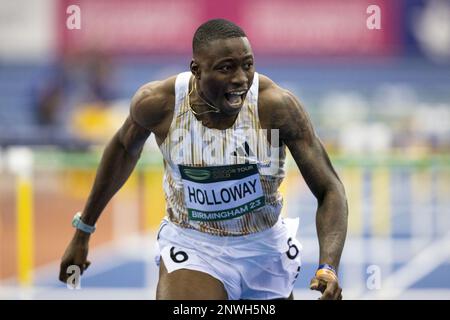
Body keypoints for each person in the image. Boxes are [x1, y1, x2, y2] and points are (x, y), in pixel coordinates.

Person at [59, 19, 348, 300]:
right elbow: (123, 148)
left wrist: (328, 266)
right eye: (226, 68)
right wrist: (83, 231)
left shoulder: (275, 107)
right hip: (194, 243)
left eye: (247, 65)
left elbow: (330, 189)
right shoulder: (160, 104)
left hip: (263, 248)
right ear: (196, 69)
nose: (240, 78)